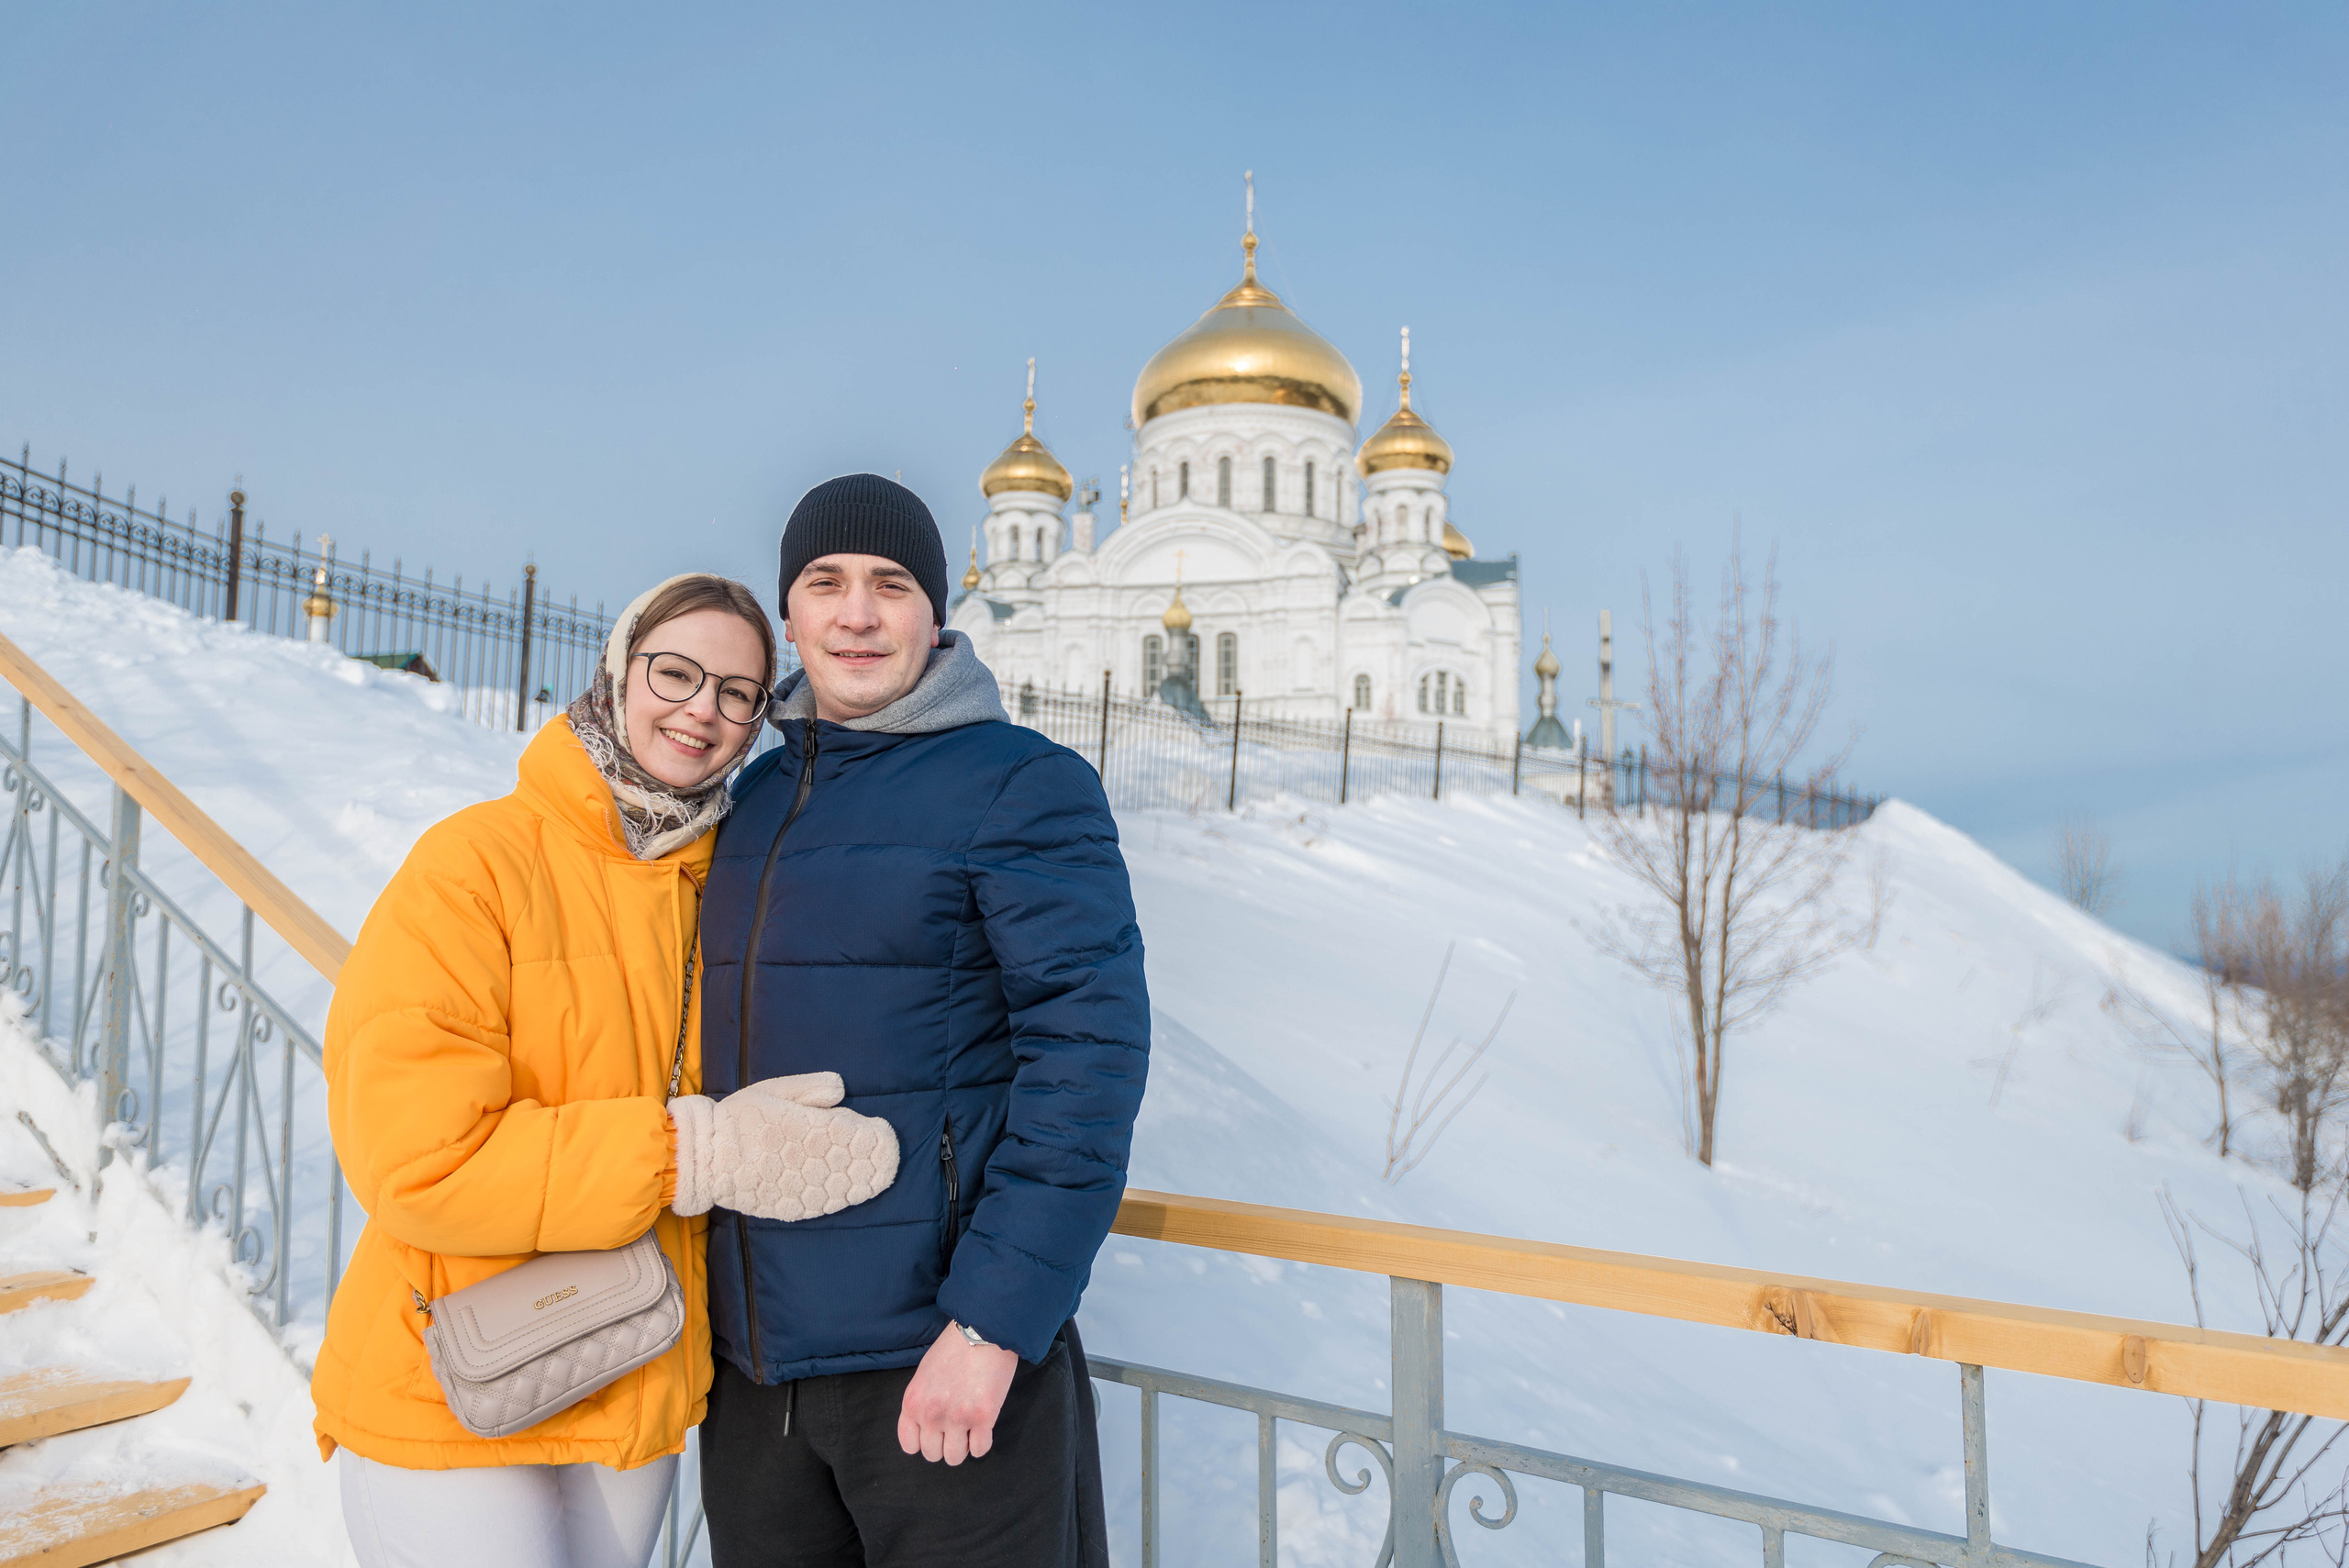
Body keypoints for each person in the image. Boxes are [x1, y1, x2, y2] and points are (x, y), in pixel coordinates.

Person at [316, 573, 899, 1568]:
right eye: (674, 671)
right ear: (617, 670)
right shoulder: (476, 864)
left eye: (736, 692)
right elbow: (416, 1156)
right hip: (458, 1367)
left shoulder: (723, 890)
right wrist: (689, 1152)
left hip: (636, 1366)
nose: (699, 709)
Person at [697, 474, 1151, 1567]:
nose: (857, 612)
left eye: (889, 584)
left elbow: (1086, 1063)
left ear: (934, 612)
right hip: (752, 1380)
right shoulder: (750, 799)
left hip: (937, 1364)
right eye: (826, 582)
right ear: (789, 611)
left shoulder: (1020, 784)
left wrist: (992, 1324)